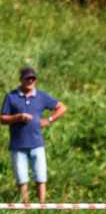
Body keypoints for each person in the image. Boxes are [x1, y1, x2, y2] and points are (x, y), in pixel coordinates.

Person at [1, 67, 66, 205]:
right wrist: (18, 117)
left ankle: (42, 206)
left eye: (32, 78)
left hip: (37, 143)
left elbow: (62, 107)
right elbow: (2, 119)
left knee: (41, 176)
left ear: (35, 80)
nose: (30, 81)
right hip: (18, 145)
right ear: (20, 79)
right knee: (21, 177)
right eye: (27, 78)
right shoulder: (11, 96)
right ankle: (25, 205)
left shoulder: (42, 96)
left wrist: (48, 120)